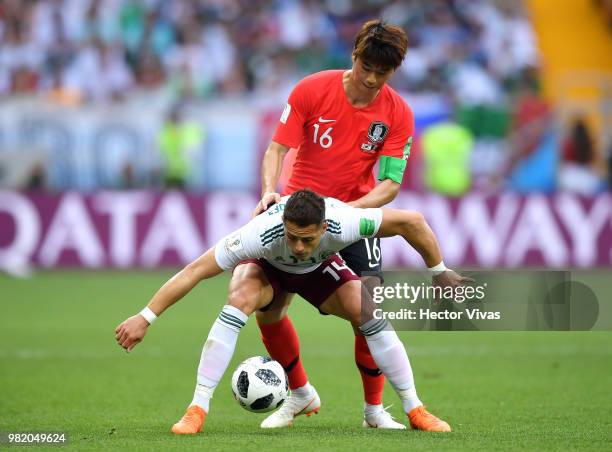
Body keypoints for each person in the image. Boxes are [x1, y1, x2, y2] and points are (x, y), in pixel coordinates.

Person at [115, 189, 472, 434]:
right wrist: (146, 317)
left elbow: (413, 222)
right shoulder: (259, 233)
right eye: (292, 236)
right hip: (268, 270)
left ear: (324, 228)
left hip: (319, 272)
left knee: (368, 309)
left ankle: (414, 409)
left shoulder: (345, 221)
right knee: (238, 297)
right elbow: (193, 271)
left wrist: (439, 272)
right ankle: (197, 409)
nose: (299, 246)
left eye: (308, 238)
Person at [252, 19, 413, 429]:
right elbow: (276, 148)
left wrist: (348, 211)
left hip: (353, 217)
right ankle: (301, 393)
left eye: (384, 72)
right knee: (269, 309)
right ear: (354, 55)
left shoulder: (398, 112)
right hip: (300, 215)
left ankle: (374, 412)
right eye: (367, 68)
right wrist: (270, 190)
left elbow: (390, 184)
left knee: (370, 310)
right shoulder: (312, 89)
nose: (373, 79)